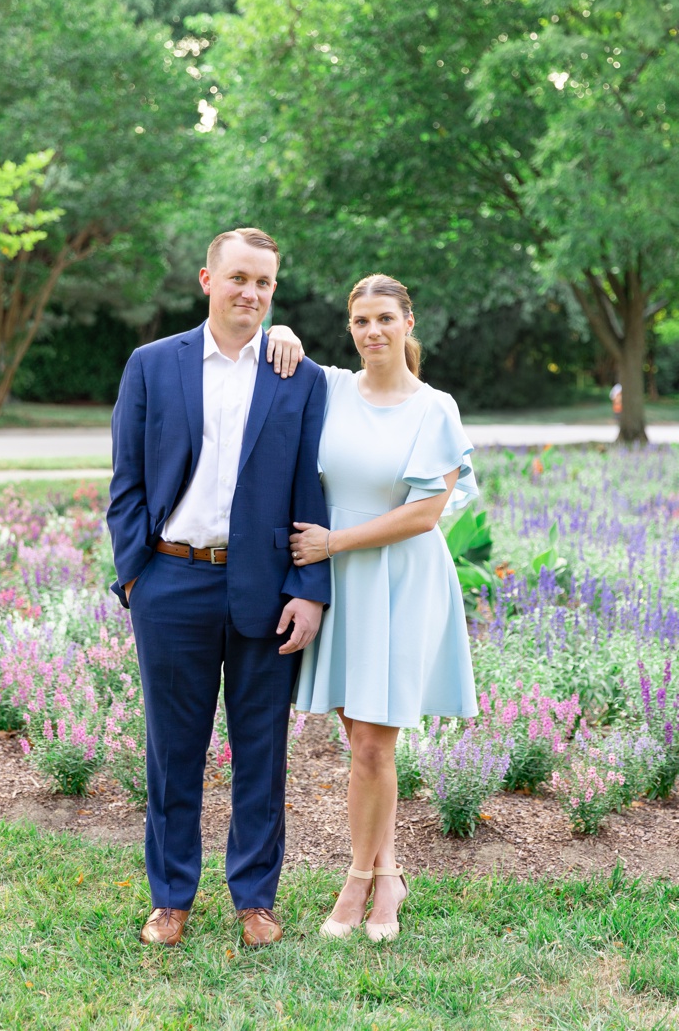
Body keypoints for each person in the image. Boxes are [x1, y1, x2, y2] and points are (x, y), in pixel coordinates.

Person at [106, 227, 329, 949]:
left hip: (265, 587)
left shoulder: (300, 375)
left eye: (264, 283)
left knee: (261, 748)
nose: (251, 293)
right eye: (238, 278)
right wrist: (137, 574)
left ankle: (255, 898)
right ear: (207, 278)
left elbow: (312, 494)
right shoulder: (151, 365)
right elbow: (126, 482)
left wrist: (310, 588)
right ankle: (171, 897)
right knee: (174, 749)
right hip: (171, 579)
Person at [289, 274, 478, 941]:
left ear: (408, 321)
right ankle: (389, 868)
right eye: (361, 321)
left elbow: (426, 513)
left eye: (385, 319)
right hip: (340, 583)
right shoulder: (334, 388)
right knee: (359, 742)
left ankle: (359, 880)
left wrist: (333, 540)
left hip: (398, 578)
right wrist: (282, 332)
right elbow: (277, 354)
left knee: (374, 741)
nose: (373, 331)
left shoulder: (435, 408)